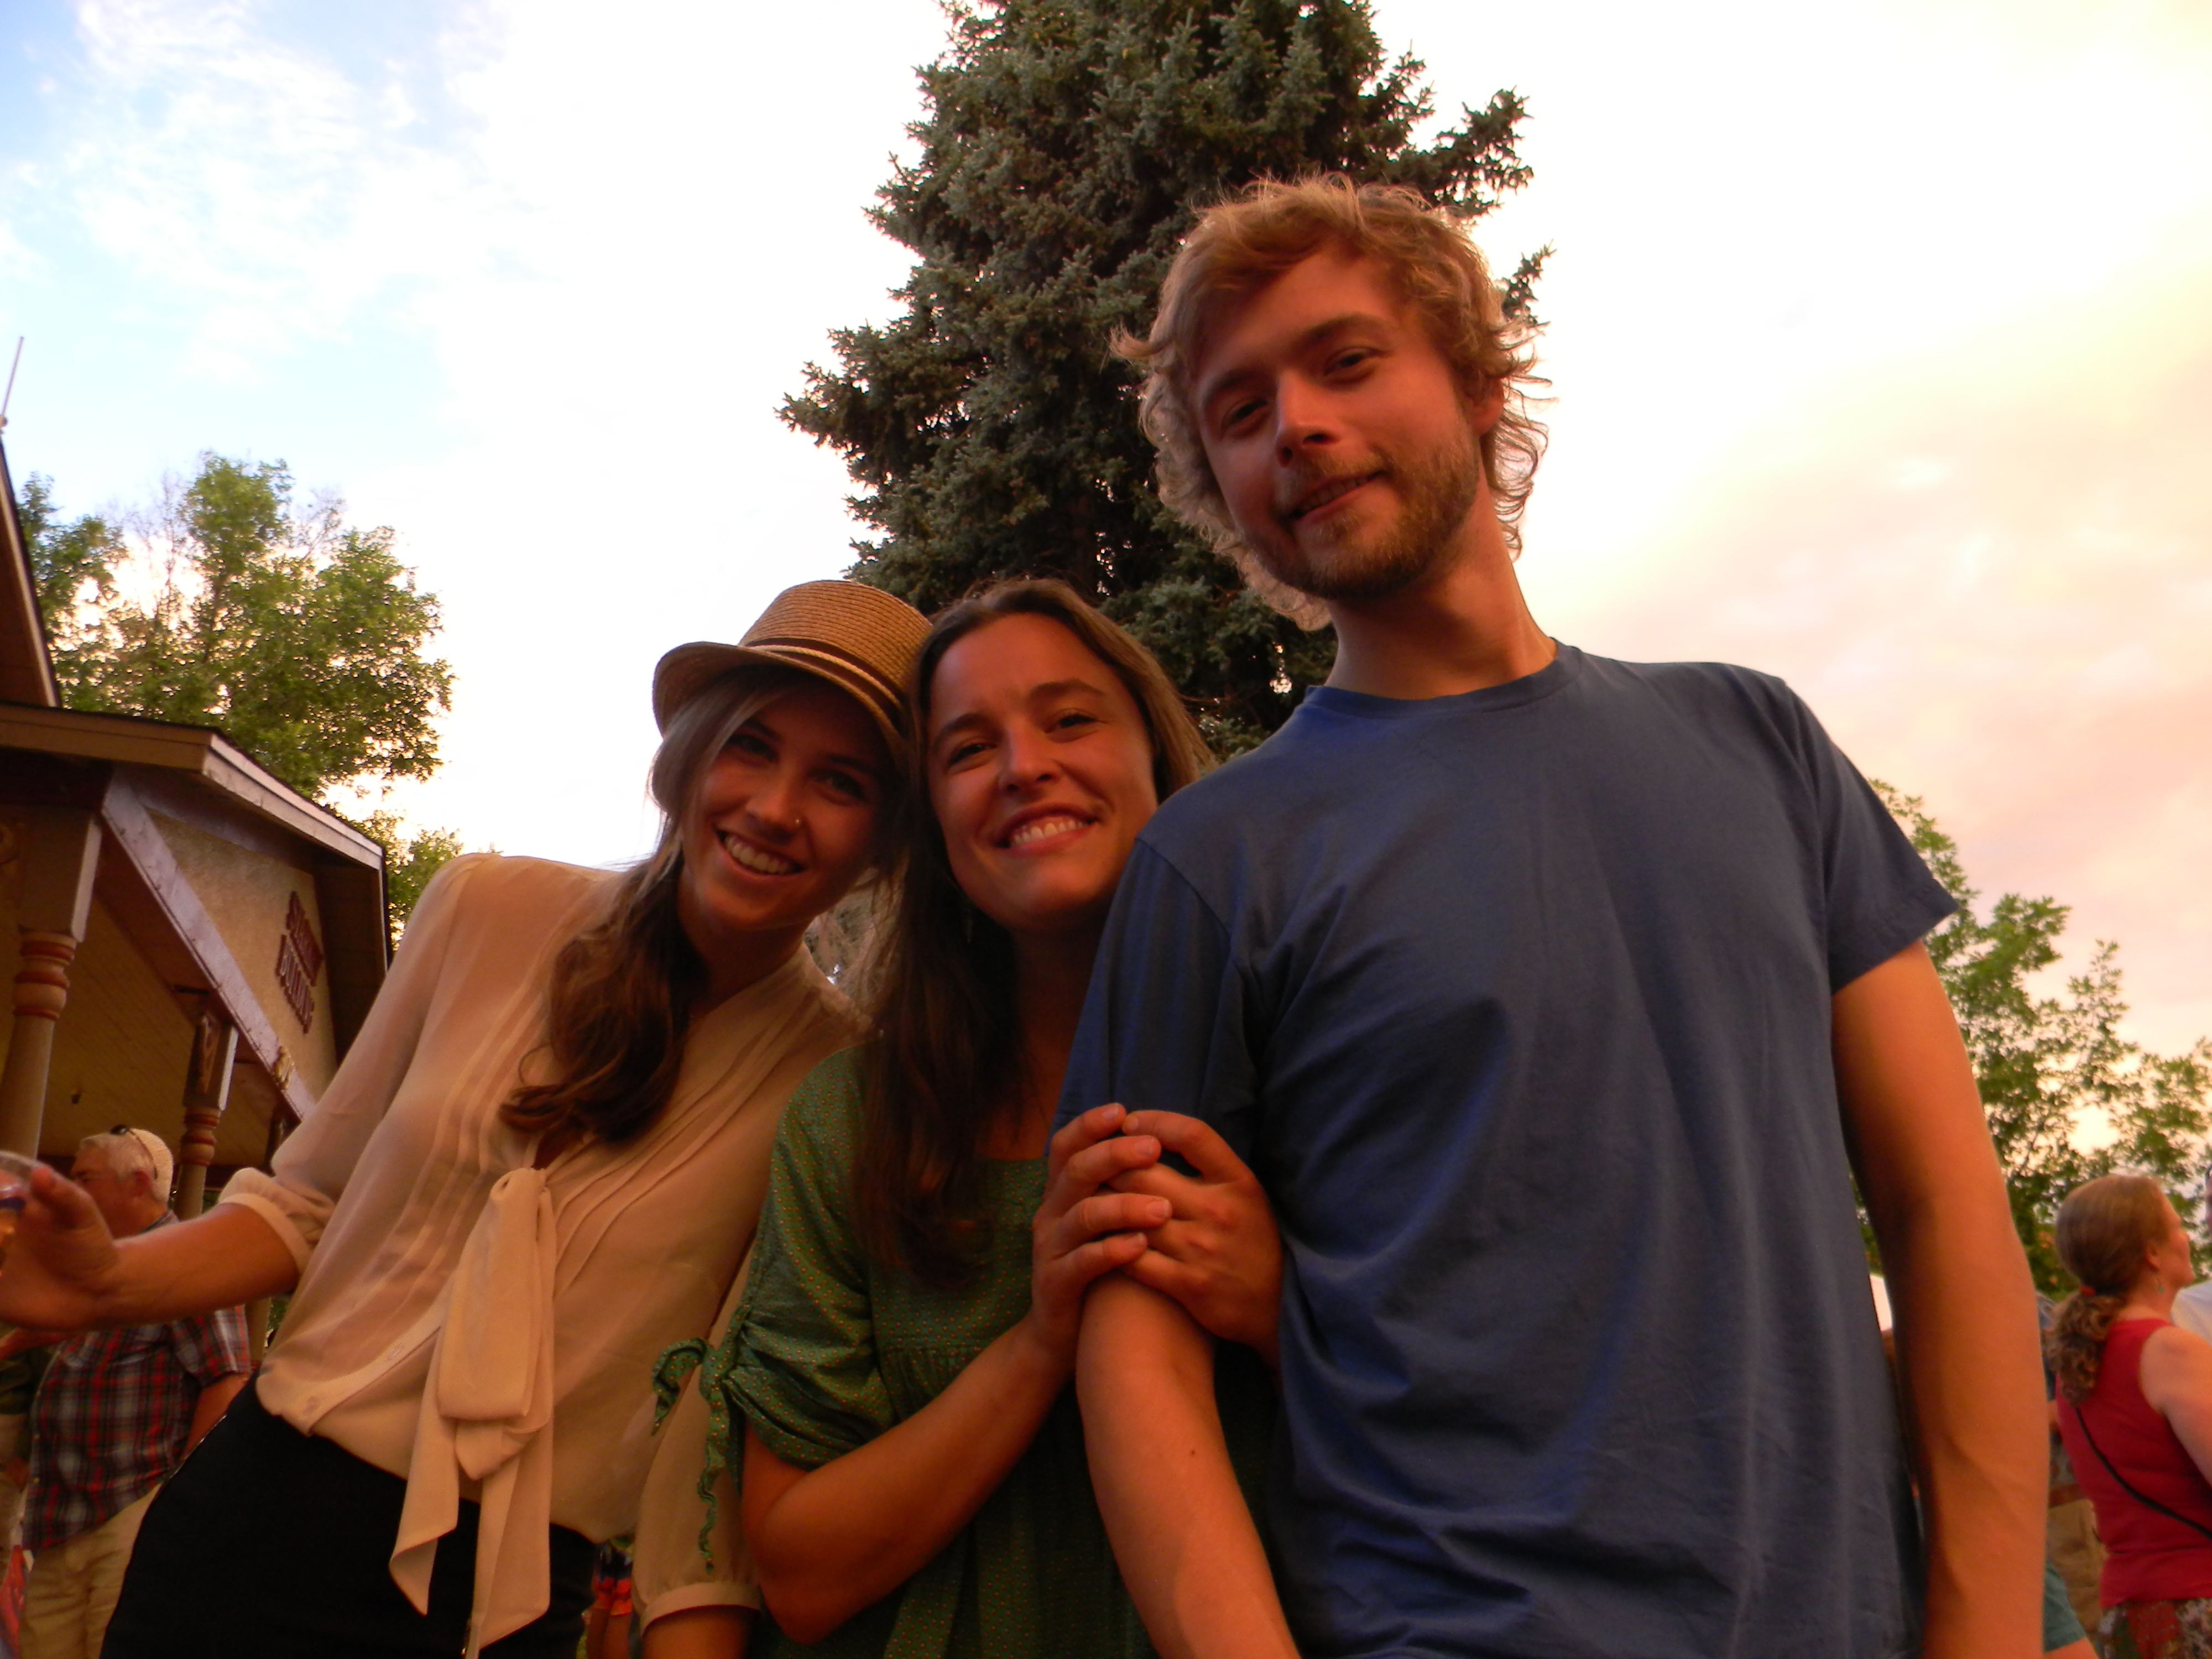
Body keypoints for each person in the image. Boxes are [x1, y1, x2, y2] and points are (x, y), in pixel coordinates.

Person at [1056, 174, 2048, 1658]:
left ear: (1475, 382)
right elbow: (1131, 1343)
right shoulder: (1214, 860)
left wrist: (1989, 1634)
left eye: (1345, 361)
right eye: (1238, 411)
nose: (1296, 426)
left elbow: (1946, 1206)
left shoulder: (1760, 744)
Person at [0, 580, 931, 1659]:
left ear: (885, 840)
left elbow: (721, 1427)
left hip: (504, 1608)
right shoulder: (488, 906)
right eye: (750, 748)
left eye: (840, 782)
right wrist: (109, 1283)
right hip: (246, 1528)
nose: (773, 806)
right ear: (690, 759)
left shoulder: (839, 1084)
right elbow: (305, 1203)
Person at [671, 580, 1280, 1657]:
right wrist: (1038, 1343)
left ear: (1156, 756)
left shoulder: (1305, 1061)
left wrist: (1279, 1314)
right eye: (965, 749)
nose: (1022, 767)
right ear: (935, 829)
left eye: (1069, 719)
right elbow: (799, 1574)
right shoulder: (851, 1124)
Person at [12, 1130, 248, 1659]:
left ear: (138, 1183)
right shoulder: (103, 1266)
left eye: (85, 1178)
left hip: (132, 1508)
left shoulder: (185, 1263)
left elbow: (225, 1379)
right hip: (64, 1517)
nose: (73, 1191)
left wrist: (175, 1502)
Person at [2049, 1175, 2212, 1657]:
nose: (2187, 1236)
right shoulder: (2169, 1349)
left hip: (2131, 1614)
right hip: (2197, 1603)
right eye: (2177, 1226)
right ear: (2152, 1253)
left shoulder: (2081, 1359)